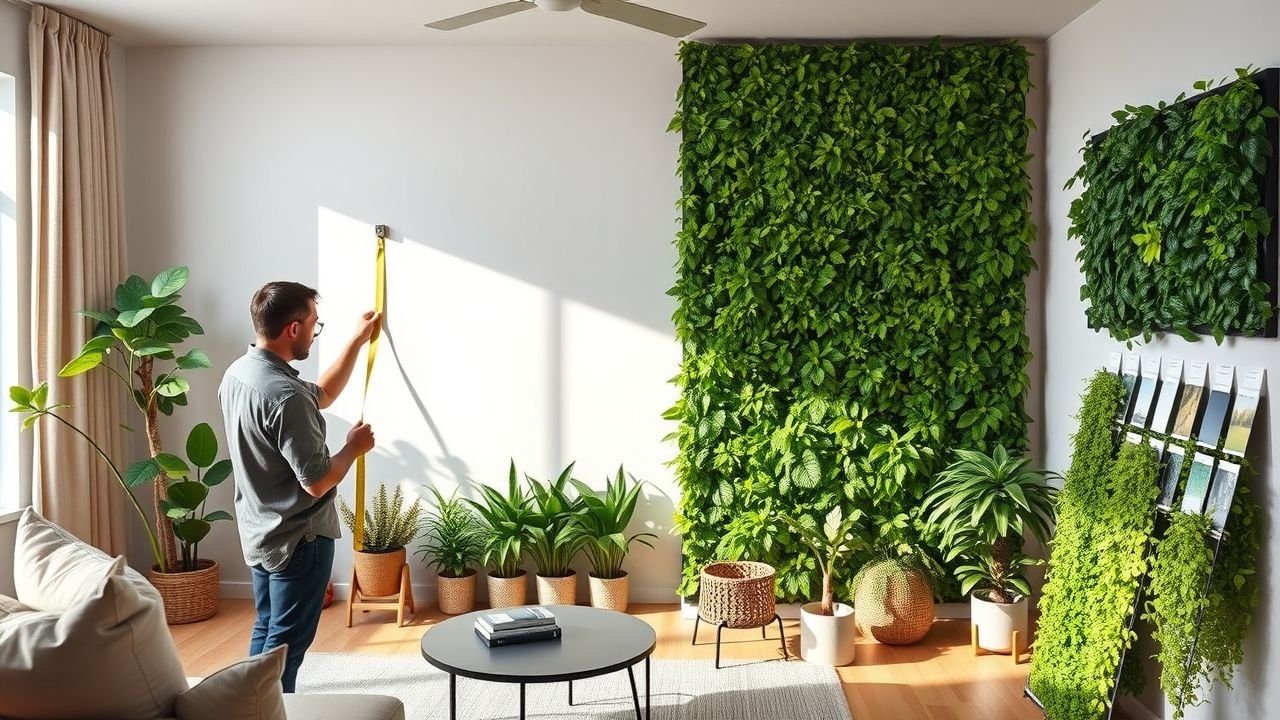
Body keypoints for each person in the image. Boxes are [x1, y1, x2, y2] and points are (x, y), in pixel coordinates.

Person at [218, 281, 380, 692]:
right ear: (293, 328)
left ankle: (248, 706)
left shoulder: (241, 373)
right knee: (287, 646)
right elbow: (318, 481)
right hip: (298, 541)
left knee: (268, 630)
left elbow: (321, 394)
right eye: (313, 323)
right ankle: (272, 709)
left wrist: (357, 341)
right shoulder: (284, 396)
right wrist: (352, 449)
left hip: (260, 531)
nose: (314, 330)